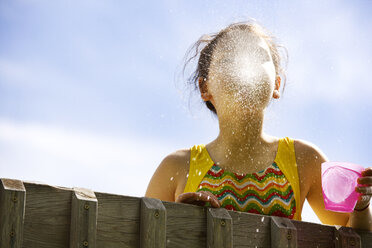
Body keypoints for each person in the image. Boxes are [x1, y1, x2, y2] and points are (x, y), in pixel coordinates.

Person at [145, 21, 372, 230]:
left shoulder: (304, 159)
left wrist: (360, 206)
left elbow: (353, 238)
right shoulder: (176, 167)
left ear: (276, 84)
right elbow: (145, 235)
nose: (243, 64)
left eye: (257, 56)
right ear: (205, 88)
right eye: (227, 59)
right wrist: (179, 221)